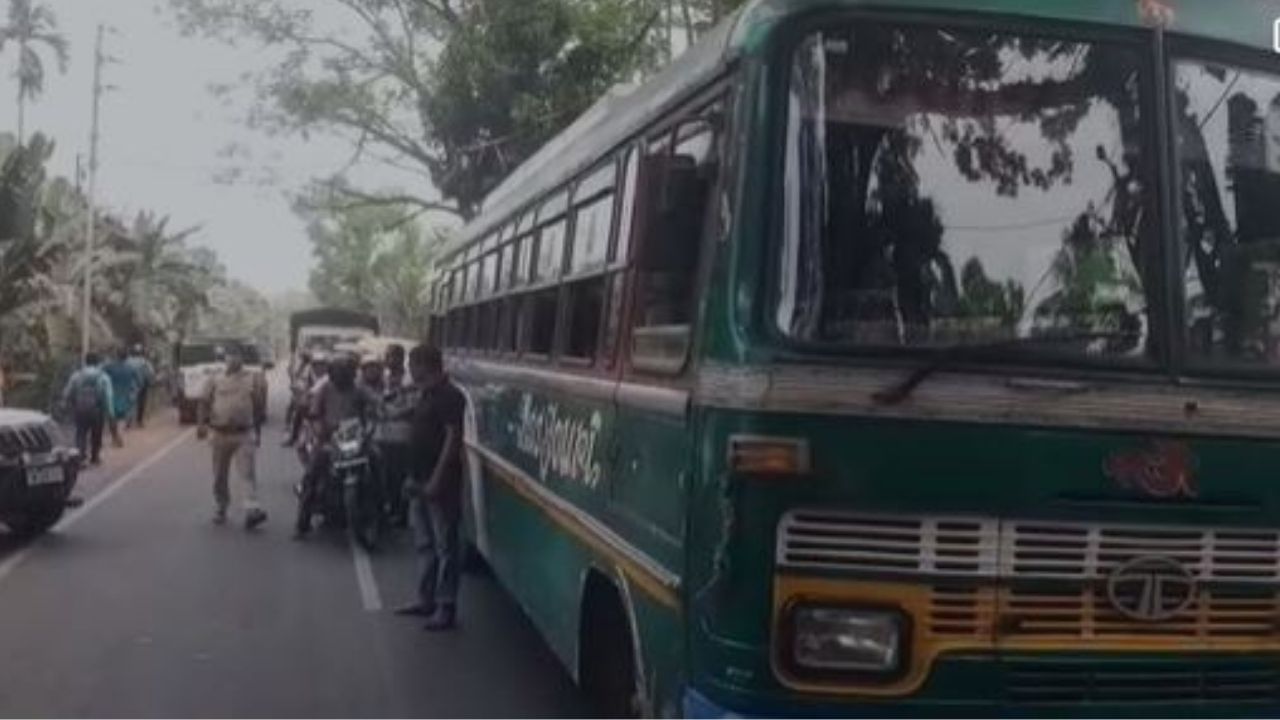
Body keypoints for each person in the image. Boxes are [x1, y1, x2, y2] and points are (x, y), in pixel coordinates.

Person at [394, 344, 466, 631]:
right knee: (425, 544)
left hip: (440, 482)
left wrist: (437, 479)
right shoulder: (425, 394)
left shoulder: (451, 396)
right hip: (419, 477)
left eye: (413, 364)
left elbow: (452, 440)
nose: (410, 369)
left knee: (445, 544)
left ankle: (445, 606)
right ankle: (426, 600)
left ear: (426, 365)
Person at [294, 352, 376, 539]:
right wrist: (320, 430)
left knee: (378, 460)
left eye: (346, 373)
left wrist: (369, 428)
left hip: (355, 439)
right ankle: (302, 523)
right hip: (329, 440)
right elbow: (314, 414)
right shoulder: (325, 389)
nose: (342, 377)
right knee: (311, 476)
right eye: (339, 373)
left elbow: (375, 406)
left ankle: (381, 506)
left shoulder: (359, 389)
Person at [198, 344, 268, 529]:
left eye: (236, 356)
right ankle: (221, 507)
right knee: (219, 475)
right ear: (225, 358)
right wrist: (201, 425)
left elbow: (259, 406)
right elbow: (204, 402)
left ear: (242, 359)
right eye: (230, 356)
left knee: (247, 473)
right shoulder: (215, 379)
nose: (233, 359)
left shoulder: (252, 378)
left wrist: (258, 431)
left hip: (243, 433)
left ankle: (252, 510)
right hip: (219, 433)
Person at [380, 344, 414, 526]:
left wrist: (395, 413)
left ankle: (401, 514)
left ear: (399, 359)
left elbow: (412, 407)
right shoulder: (383, 377)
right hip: (384, 434)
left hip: (403, 435)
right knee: (386, 475)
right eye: (386, 356)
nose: (387, 360)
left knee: (400, 476)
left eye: (390, 357)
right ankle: (390, 509)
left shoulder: (409, 380)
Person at [62, 353, 113, 466]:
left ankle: (81, 458)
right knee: (97, 433)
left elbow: (67, 392)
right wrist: (110, 412)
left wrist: (66, 405)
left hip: (80, 409)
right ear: (98, 362)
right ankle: (95, 457)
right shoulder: (103, 376)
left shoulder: (76, 375)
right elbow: (108, 396)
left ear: (85, 362)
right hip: (97, 410)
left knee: (81, 433)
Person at [102, 348, 139, 447]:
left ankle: (115, 437)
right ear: (126, 357)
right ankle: (119, 437)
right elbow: (138, 381)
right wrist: (134, 391)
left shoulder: (109, 367)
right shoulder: (131, 368)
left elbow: (101, 375)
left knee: (112, 417)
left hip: (111, 396)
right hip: (125, 396)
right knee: (122, 418)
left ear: (116, 355)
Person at [126, 346, 155, 428]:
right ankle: (139, 421)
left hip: (130, 385)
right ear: (141, 353)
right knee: (141, 403)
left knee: (130, 402)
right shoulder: (145, 362)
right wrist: (150, 382)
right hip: (142, 385)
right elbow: (150, 373)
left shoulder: (128, 361)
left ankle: (128, 420)